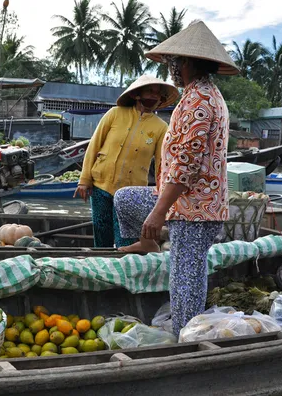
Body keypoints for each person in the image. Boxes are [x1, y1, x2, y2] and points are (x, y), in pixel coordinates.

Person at [114, 20, 239, 337]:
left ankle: (188, 336)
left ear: (185, 63)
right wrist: (158, 209)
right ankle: (146, 241)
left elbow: (187, 165)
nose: (170, 68)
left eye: (173, 62)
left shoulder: (200, 101)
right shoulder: (196, 94)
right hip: (181, 201)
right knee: (126, 199)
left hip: (196, 208)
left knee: (186, 274)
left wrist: (159, 212)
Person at [73, 75, 179, 248]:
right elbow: (94, 146)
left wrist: (162, 196)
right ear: (137, 95)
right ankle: (102, 271)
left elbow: (163, 165)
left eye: (158, 94)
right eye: (150, 91)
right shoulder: (115, 114)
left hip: (130, 194)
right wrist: (84, 181)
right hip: (101, 186)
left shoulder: (161, 128)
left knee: (125, 241)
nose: (154, 96)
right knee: (101, 235)